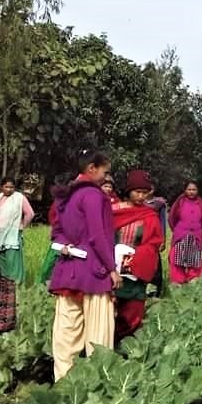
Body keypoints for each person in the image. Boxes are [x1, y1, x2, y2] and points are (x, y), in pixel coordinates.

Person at [49, 150, 120, 381]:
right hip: (93, 273)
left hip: (67, 269)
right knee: (99, 337)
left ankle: (63, 386)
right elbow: (97, 236)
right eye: (105, 172)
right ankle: (96, 387)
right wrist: (112, 268)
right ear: (92, 168)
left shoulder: (65, 195)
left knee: (65, 335)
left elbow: (57, 233)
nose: (107, 177)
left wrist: (64, 246)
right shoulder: (93, 195)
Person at [111, 171, 163, 343]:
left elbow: (155, 242)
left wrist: (139, 255)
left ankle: (126, 346)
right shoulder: (114, 211)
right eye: (137, 191)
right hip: (112, 269)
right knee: (109, 310)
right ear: (128, 191)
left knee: (133, 311)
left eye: (144, 192)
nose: (141, 196)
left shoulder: (150, 215)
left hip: (136, 271)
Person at [0, 177, 35, 285]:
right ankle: (4, 285)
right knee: (0, 260)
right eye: (6, 187)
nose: (9, 189)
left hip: (12, 234)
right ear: (1, 187)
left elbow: (30, 213)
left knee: (13, 261)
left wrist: (22, 226)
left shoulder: (19, 198)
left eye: (11, 187)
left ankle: (16, 284)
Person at [168, 181, 202, 285]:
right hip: (181, 235)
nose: (191, 192)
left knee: (195, 260)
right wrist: (179, 230)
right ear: (185, 190)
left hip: (196, 236)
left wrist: (196, 228)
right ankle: (178, 282)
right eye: (189, 189)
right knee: (177, 259)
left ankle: (193, 280)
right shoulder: (180, 202)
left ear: (198, 191)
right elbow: (172, 218)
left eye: (194, 190)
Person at [145, 187, 168, 297]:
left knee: (155, 266)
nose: (149, 190)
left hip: (154, 238)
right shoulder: (137, 203)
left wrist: (163, 239)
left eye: (151, 188)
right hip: (140, 239)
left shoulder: (159, 204)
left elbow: (163, 222)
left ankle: (155, 292)